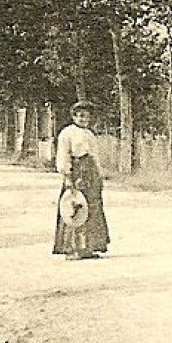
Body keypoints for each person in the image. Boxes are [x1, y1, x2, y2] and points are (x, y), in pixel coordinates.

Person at [52, 100, 111, 260]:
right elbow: (63, 155)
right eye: (80, 116)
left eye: (86, 117)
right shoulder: (67, 133)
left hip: (89, 173)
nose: (83, 119)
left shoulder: (89, 134)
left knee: (92, 207)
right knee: (76, 207)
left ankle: (88, 247)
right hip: (76, 173)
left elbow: (94, 157)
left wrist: (99, 175)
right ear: (73, 117)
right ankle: (73, 248)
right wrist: (67, 176)